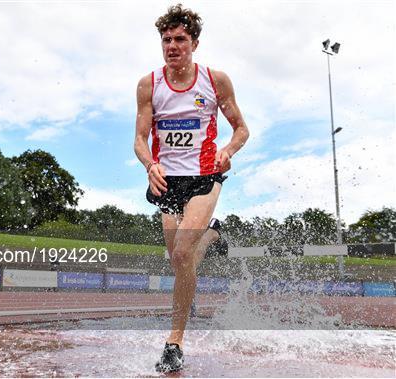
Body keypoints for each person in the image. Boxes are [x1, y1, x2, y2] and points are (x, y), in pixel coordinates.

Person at [133, 4, 249, 373]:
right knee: (180, 258)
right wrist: (150, 164)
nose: (172, 45)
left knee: (182, 250)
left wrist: (228, 151)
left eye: (180, 39)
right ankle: (212, 237)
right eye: (166, 39)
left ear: (194, 43)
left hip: (204, 176)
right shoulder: (149, 85)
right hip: (169, 181)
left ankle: (175, 341)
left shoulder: (215, 81)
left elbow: (241, 129)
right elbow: (139, 139)